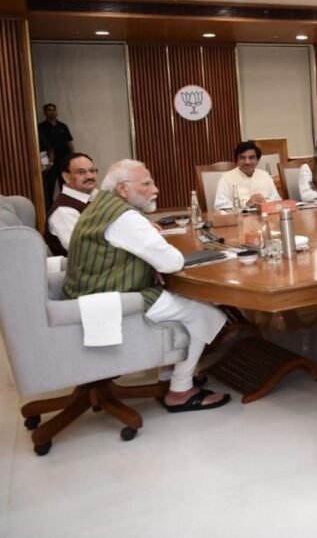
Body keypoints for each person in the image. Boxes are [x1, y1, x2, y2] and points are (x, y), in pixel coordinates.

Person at [62, 160, 229, 412]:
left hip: (85, 293)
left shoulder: (100, 205)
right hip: (113, 298)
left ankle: (165, 377)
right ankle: (181, 390)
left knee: (186, 301)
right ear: (122, 189)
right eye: (147, 184)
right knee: (206, 313)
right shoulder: (126, 218)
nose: (156, 189)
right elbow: (172, 262)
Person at [44, 153, 97, 256]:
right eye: (81, 172)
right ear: (66, 177)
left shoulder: (95, 196)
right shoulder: (63, 211)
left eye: (92, 171)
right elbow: (81, 250)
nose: (90, 176)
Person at [214, 140, 281, 210]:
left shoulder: (265, 176)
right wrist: (246, 205)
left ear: (257, 160)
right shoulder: (226, 178)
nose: (247, 162)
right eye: (242, 158)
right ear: (236, 160)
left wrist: (265, 203)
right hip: (239, 219)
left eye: (251, 158)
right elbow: (220, 207)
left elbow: (278, 201)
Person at [38, 103, 75, 210]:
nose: (52, 112)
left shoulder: (62, 126)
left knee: (66, 185)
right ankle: (49, 209)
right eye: (49, 110)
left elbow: (69, 143)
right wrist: (46, 162)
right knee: (49, 187)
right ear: (45, 113)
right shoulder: (41, 127)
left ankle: (67, 206)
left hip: (63, 160)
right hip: (50, 162)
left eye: (54, 110)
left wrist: (72, 157)